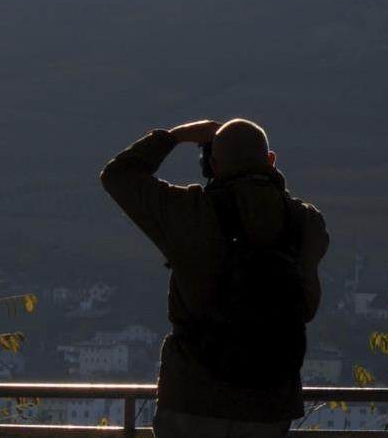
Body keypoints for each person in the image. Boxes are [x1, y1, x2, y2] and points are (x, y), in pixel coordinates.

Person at [101, 118, 329, 437]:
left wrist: (174, 136)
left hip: (192, 398)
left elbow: (118, 175)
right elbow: (306, 307)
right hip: (269, 406)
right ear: (271, 161)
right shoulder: (306, 223)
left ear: (212, 165)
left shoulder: (190, 212)